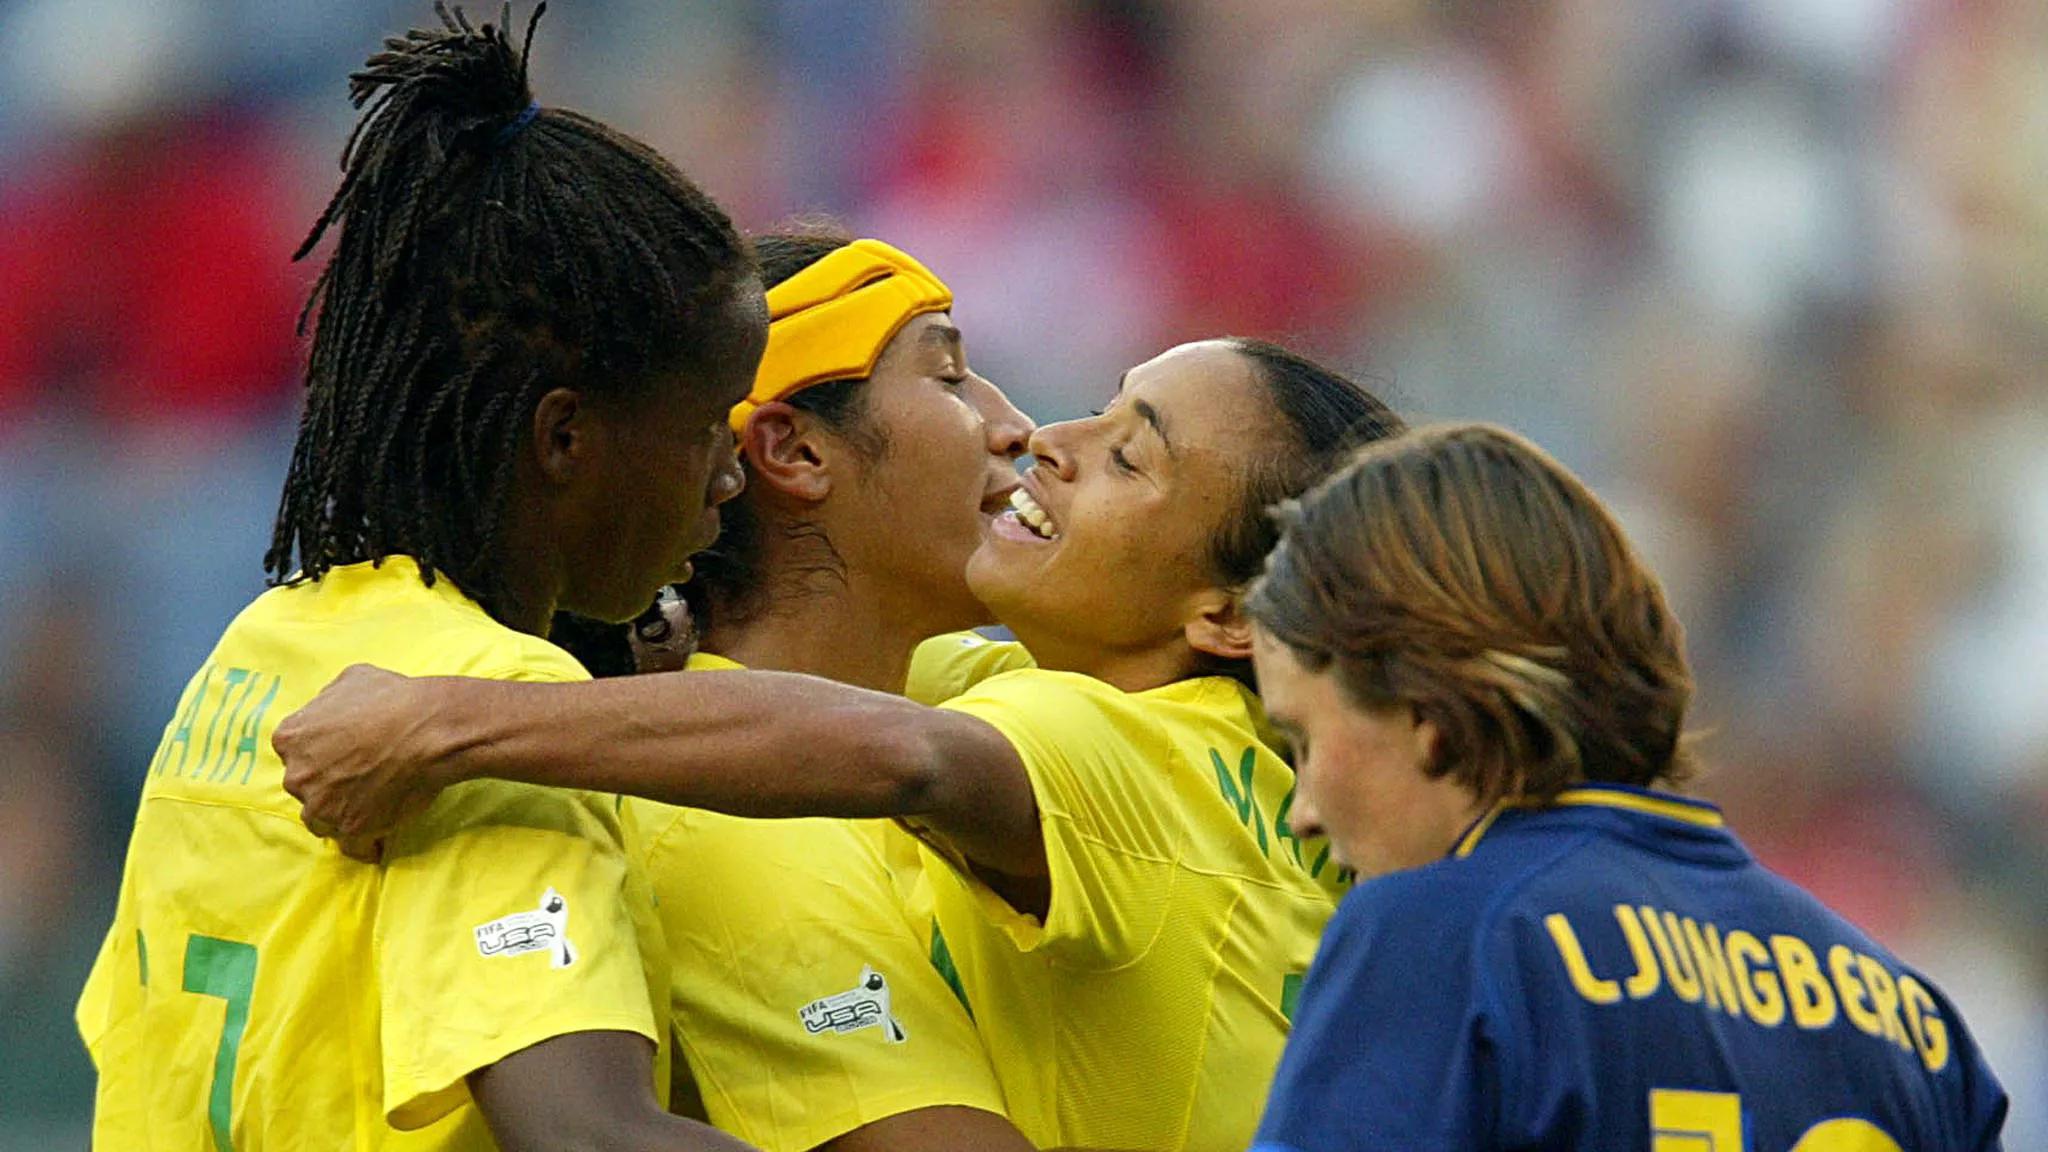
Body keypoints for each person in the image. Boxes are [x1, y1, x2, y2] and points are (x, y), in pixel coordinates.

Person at [275, 336, 1405, 1152]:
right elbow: (850, 687)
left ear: (1223, 619)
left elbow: (894, 750)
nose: (1039, 438)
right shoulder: (1179, 721)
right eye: (1097, 410)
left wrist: (446, 719)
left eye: (1126, 459)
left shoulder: (1115, 737)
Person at [74, 6, 767, 1150]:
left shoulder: (253, 653)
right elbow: (583, 1134)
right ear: (562, 439)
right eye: (706, 426)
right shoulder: (494, 716)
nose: (728, 479)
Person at [1241, 423, 2010, 1151]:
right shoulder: (1914, 1023)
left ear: (1429, 712)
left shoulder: (1439, 939)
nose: (1303, 810)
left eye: (1304, 739)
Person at [553, 223, 1044, 1152]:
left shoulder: (949, 685)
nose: (1017, 427)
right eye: (948, 378)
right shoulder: (729, 826)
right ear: (794, 453)